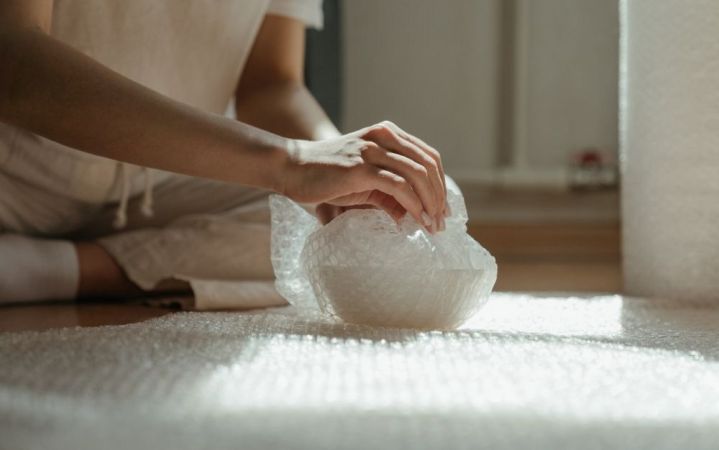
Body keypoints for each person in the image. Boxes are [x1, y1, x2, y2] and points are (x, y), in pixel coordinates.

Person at [0, 0, 448, 306]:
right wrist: (290, 161)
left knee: (414, 202)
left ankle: (49, 269)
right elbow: (14, 60)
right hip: (11, 175)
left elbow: (269, 84)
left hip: (161, 179)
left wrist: (344, 167)